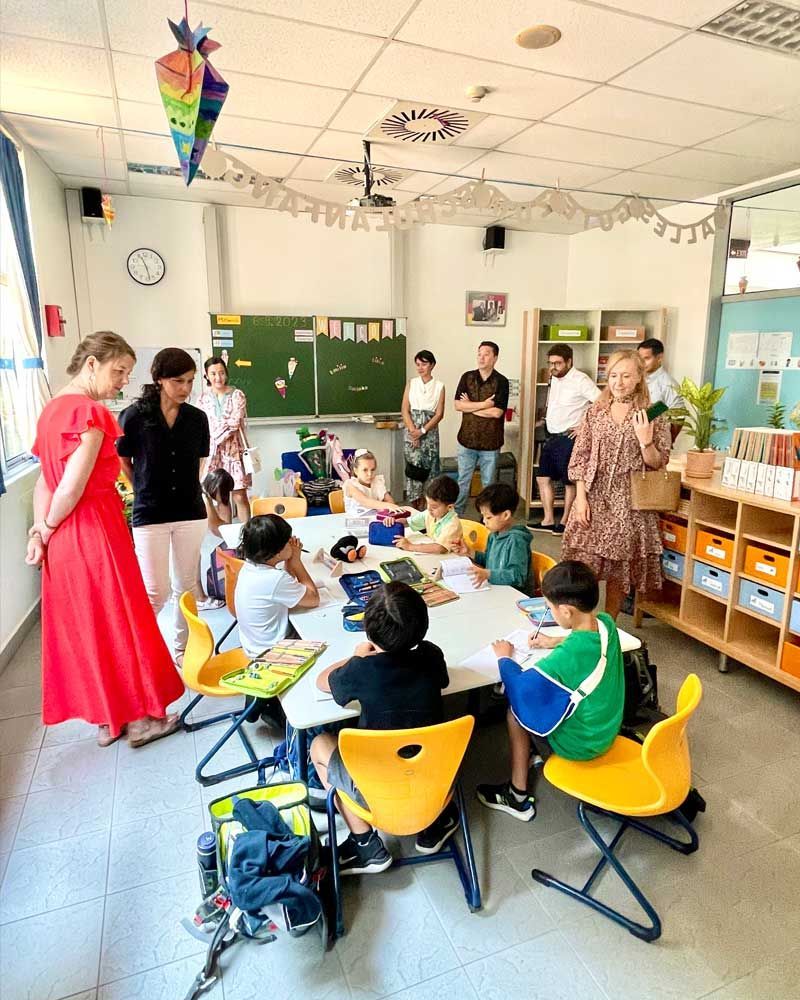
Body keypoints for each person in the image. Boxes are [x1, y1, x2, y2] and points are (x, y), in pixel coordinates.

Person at [26, 332, 184, 748]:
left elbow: (46, 482)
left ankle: (109, 719)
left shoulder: (51, 411)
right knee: (121, 620)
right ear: (92, 363)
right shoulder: (90, 414)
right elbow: (71, 487)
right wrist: (46, 526)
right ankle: (142, 720)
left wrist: (41, 530)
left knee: (87, 625)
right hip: (94, 530)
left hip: (62, 537)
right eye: (118, 371)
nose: (122, 382)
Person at [310, 583, 451, 874]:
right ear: (422, 625)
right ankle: (432, 827)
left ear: (368, 631)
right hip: (434, 781)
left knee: (319, 744)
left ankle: (365, 844)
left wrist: (358, 656)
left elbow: (321, 681)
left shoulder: (361, 670)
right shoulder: (431, 655)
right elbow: (444, 681)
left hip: (374, 787)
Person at [476, 561, 624, 821]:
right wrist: (553, 640)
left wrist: (504, 658)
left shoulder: (563, 661)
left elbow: (521, 689)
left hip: (583, 744)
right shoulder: (605, 623)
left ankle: (517, 794)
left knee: (514, 712)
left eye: (550, 608)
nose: (550, 612)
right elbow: (585, 643)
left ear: (566, 612)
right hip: (608, 726)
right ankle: (532, 756)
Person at [562, 350, 671, 620]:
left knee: (619, 570)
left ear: (638, 378)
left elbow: (658, 462)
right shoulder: (595, 412)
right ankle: (583, 624)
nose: (618, 382)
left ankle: (608, 625)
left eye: (625, 376)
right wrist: (580, 499)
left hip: (629, 502)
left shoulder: (653, 413)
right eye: (613, 375)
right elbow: (580, 457)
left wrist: (646, 441)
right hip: (593, 496)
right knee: (583, 563)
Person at [117, 348, 210, 663]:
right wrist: (143, 486)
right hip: (150, 512)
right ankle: (140, 653)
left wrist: (184, 490)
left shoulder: (197, 419)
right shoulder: (134, 416)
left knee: (186, 588)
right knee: (155, 591)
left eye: (190, 381)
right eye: (178, 381)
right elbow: (125, 462)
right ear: (159, 379)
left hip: (190, 512)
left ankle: (183, 649)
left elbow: (200, 462)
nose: (185, 388)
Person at [530, 344, 600, 534]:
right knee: (543, 478)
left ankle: (565, 521)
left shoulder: (580, 380)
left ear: (569, 361)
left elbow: (601, 403)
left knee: (569, 481)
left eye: (558, 363)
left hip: (569, 438)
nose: (553, 367)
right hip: (551, 435)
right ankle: (548, 520)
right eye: (551, 363)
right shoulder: (554, 377)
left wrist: (585, 427)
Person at [234, 514, 320, 657]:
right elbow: (314, 599)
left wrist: (288, 561)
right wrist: (296, 562)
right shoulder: (274, 579)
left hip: (253, 644)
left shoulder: (249, 567)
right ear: (277, 551)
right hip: (271, 652)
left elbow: (284, 586)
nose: (292, 543)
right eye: (288, 541)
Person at [453, 342, 510, 515]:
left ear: (495, 358)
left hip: (490, 443)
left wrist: (470, 405)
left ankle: (487, 520)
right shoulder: (467, 377)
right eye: (479, 354)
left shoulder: (502, 382)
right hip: (466, 441)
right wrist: (484, 404)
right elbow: (457, 405)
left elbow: (497, 413)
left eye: (486, 354)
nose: (481, 358)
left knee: (489, 485)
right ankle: (457, 517)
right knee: (463, 482)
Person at [198, 356, 252, 524]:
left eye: (221, 373)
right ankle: (226, 539)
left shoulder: (237, 395)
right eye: (213, 373)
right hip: (213, 454)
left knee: (239, 495)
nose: (218, 377)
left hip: (234, 452)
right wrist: (215, 433)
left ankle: (247, 536)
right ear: (207, 376)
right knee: (221, 497)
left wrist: (214, 434)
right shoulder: (202, 399)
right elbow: (201, 425)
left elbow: (235, 422)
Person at [454, 482, 531, 590]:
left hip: (513, 596)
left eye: (489, 517)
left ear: (506, 515)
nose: (484, 521)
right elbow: (490, 560)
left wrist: (488, 574)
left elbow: (517, 576)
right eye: (483, 516)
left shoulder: (516, 540)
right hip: (496, 589)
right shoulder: (494, 535)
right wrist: (470, 552)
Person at [401, 350, 445, 508]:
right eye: (418, 364)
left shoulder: (439, 386)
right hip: (411, 433)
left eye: (424, 364)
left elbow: (439, 414)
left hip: (430, 434)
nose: (420, 368)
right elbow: (404, 409)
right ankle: (414, 510)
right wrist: (414, 431)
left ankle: (430, 511)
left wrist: (422, 431)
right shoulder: (411, 383)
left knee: (431, 473)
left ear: (432, 365)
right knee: (414, 472)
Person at [392, 474, 463, 554]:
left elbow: (440, 548)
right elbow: (408, 522)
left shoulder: (452, 524)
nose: (429, 508)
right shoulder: (431, 513)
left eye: (434, 506)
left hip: (449, 559)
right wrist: (393, 521)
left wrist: (410, 546)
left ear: (449, 507)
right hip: (434, 556)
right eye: (428, 503)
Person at [637, 338, 684, 442]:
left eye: (646, 358)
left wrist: (668, 441)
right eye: (640, 359)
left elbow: (678, 418)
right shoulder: (635, 378)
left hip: (655, 441)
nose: (642, 363)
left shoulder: (668, 384)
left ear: (659, 358)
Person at [343, 449, 403, 516]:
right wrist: (388, 506)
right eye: (365, 470)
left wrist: (389, 508)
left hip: (373, 520)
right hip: (354, 522)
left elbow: (389, 500)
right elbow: (365, 501)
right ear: (356, 470)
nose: (370, 474)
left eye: (372, 470)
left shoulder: (377, 482)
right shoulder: (350, 485)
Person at [202, 468, 234, 540]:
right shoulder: (204, 498)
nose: (226, 495)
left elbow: (226, 528)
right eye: (225, 491)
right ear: (215, 487)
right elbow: (218, 529)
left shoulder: (208, 497)